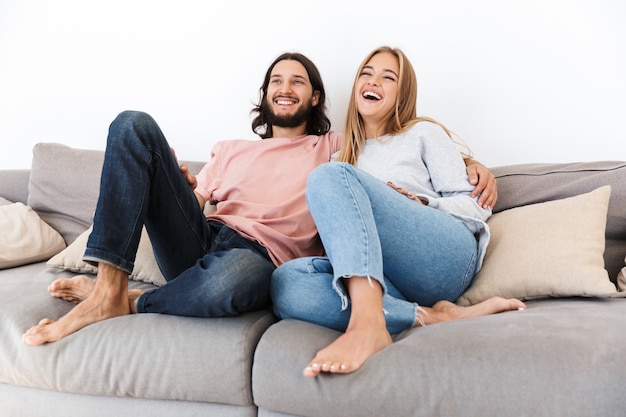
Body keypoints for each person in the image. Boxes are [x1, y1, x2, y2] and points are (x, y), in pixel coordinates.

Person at [22, 51, 498, 346]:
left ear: (315, 99)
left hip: (258, 257)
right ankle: (109, 285)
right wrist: (182, 190)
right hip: (201, 237)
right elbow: (200, 200)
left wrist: (474, 168)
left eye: (298, 82)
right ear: (265, 95)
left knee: (239, 277)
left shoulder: (336, 147)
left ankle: (129, 301)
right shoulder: (228, 150)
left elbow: (390, 156)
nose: (284, 88)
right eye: (276, 80)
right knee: (132, 124)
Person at [270, 46, 526, 378]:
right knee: (286, 283)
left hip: (443, 256)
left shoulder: (423, 134)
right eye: (367, 73)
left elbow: (477, 206)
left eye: (387, 77)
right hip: (388, 278)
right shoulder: (340, 157)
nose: (373, 81)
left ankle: (366, 325)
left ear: (401, 93)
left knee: (329, 176)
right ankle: (429, 316)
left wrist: (423, 204)